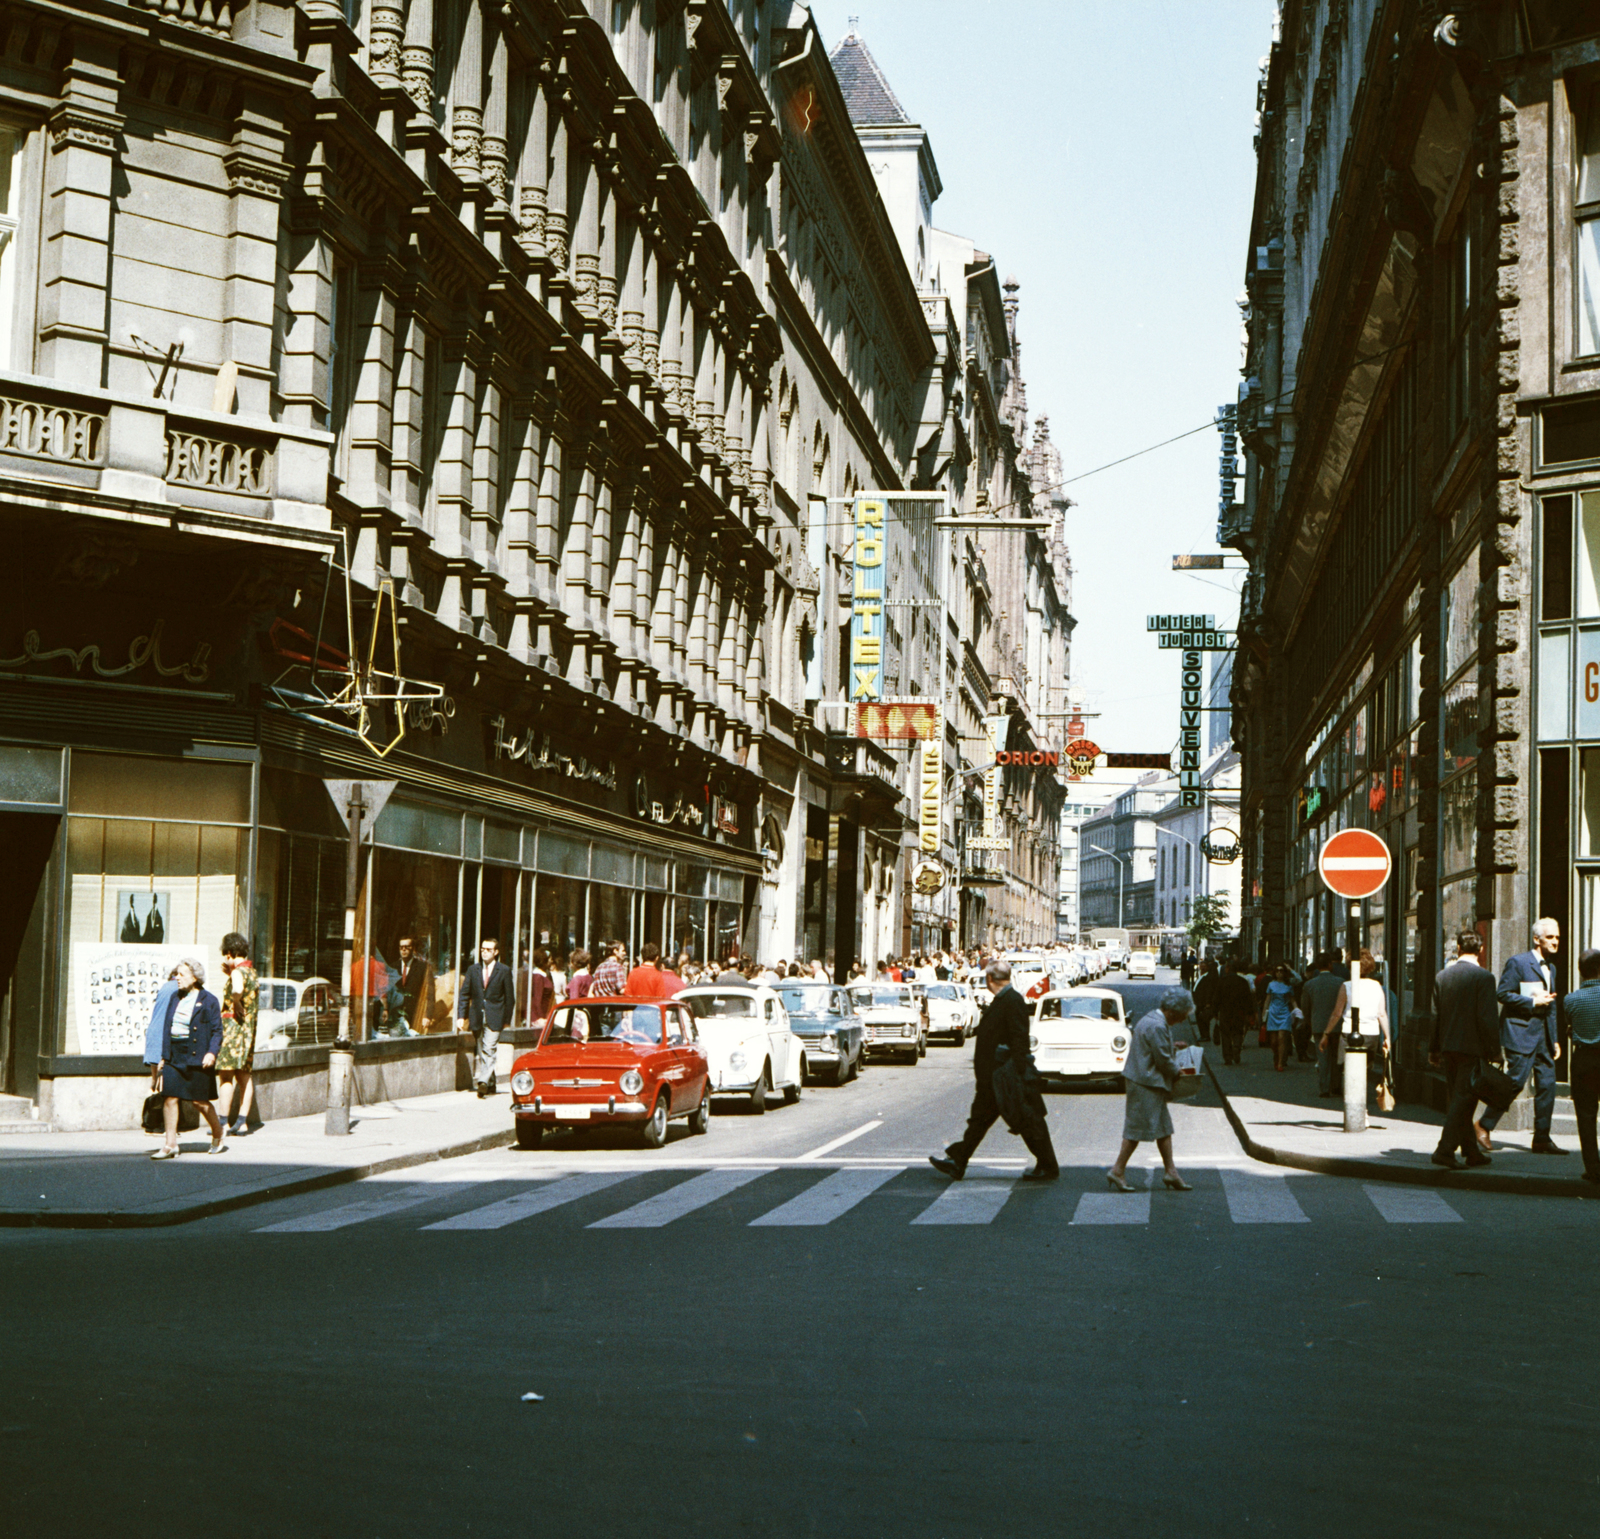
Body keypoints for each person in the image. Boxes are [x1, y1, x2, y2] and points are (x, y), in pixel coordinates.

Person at [928, 961, 1059, 1183]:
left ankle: (1048, 1165)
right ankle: (959, 1161)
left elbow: (1019, 1040)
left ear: (990, 979)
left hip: (1005, 1077)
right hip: (995, 1077)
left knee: (1028, 1120)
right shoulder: (1005, 1000)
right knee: (980, 1120)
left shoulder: (1012, 1000)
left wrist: (1019, 1074)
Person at [1481, 918, 1565, 1154]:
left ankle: (1541, 1138)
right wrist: (1531, 1001)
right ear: (1537, 939)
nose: (1556, 941)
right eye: (1550, 937)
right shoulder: (1518, 962)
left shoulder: (1552, 967)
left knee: (1547, 1086)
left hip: (1544, 1036)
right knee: (1515, 1082)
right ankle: (1484, 1125)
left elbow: (1551, 1006)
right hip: (1520, 1033)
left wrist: (1555, 1038)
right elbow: (1503, 994)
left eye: (1557, 937)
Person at [1107, 986, 1194, 1192]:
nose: (1181, 1020)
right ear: (1172, 1011)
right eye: (1181, 1016)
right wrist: (1179, 1073)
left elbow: (1154, 1048)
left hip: (1146, 1081)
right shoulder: (1157, 1026)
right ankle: (1117, 1170)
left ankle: (1170, 1171)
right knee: (1136, 1129)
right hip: (1145, 1083)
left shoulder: (1152, 1019)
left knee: (1164, 1128)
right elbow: (1162, 1059)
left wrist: (1173, 1046)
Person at [1428, 930, 1499, 1169]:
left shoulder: (1442, 977)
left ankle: (1471, 1151)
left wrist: (1434, 1049)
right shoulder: (1485, 978)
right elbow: (1487, 1018)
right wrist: (1495, 1050)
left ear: (1458, 948)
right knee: (1463, 1100)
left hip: (1449, 1048)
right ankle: (1444, 1150)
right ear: (1480, 950)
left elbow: (1435, 1016)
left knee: (1461, 1100)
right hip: (1472, 1048)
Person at [151, 957, 227, 1159]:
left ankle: (218, 1133)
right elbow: (167, 1028)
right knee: (170, 1098)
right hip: (175, 1054)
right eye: (176, 974)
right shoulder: (175, 997)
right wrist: (164, 1057)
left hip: (198, 1055)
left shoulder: (209, 1000)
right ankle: (170, 1145)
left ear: (194, 977)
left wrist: (212, 1052)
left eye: (181, 974)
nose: (177, 978)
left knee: (199, 1102)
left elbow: (217, 1031)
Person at [1321, 951, 1390, 1109]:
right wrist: (1387, 1037)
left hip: (1349, 1032)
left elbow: (1337, 1013)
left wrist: (1326, 1033)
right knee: (1365, 1070)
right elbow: (1381, 1013)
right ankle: (1362, 1104)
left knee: (1349, 1069)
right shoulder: (1376, 986)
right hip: (1372, 1033)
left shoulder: (1347, 986)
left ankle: (1354, 1105)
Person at [457, 937, 516, 1096]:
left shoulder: (503, 970)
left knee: (489, 1048)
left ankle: (482, 1082)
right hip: (477, 1015)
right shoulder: (473, 970)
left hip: (495, 1016)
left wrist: (506, 1020)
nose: (484, 952)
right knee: (483, 1051)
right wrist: (461, 1016)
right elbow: (464, 994)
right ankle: (491, 1083)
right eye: (482, 949)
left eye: (488, 950)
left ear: (496, 952)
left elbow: (510, 998)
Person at [1561, 948, 1600, 1185]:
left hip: (1584, 1059)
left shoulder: (1571, 999)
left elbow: (1571, 1025)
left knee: (1585, 1116)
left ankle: (1593, 1169)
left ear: (1580, 972)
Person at [215, 932, 259, 1137]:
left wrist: (235, 1001)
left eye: (226, 955)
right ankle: (242, 1122)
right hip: (248, 1031)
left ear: (231, 953)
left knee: (225, 1076)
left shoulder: (237, 973)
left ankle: (222, 1123)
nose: (225, 959)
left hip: (233, 1029)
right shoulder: (252, 972)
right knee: (244, 1076)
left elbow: (237, 989)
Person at [143, 964, 181, 1088]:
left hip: (154, 1034)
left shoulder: (166, 986)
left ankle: (153, 1104)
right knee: (165, 1084)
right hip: (163, 1036)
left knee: (155, 1082)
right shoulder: (179, 988)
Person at [1214, 959, 1256, 1066]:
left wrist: (1215, 1012)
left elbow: (1216, 998)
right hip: (1239, 1012)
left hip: (1225, 1011)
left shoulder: (1222, 981)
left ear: (1228, 968)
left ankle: (1228, 1057)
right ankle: (1236, 1047)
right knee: (1238, 1031)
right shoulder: (1242, 981)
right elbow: (1248, 999)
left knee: (1226, 1034)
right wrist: (1250, 1013)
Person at [392, 936, 434, 1033]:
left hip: (416, 1016)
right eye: (401, 947)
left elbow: (430, 994)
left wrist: (427, 1016)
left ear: (413, 948)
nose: (404, 950)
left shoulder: (423, 968)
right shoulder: (393, 967)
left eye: (407, 947)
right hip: (395, 1017)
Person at [1264, 964, 1294, 1071]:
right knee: (1273, 1042)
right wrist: (1264, 1014)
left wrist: (1297, 1010)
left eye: (1281, 970)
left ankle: (1280, 1062)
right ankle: (1276, 1057)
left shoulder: (1288, 986)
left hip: (1284, 1013)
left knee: (1282, 1037)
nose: (1279, 972)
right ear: (1274, 973)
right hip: (1273, 1013)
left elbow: (1292, 1000)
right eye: (1277, 970)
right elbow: (1267, 1000)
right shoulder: (1271, 985)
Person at [525, 947, 555, 1026]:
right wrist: (539, 1017)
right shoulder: (538, 977)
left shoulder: (544, 975)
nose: (552, 961)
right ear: (544, 961)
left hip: (546, 1015)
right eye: (550, 959)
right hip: (540, 1018)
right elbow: (537, 1000)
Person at [1192, 957, 1219, 1044]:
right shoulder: (1201, 976)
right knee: (1200, 1018)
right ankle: (1203, 1035)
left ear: (1207, 968)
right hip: (1198, 1002)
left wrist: (1207, 1002)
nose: (1202, 968)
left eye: (1204, 966)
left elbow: (1208, 990)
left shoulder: (1207, 977)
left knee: (1203, 1019)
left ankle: (1205, 1036)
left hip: (1203, 1002)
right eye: (1201, 966)